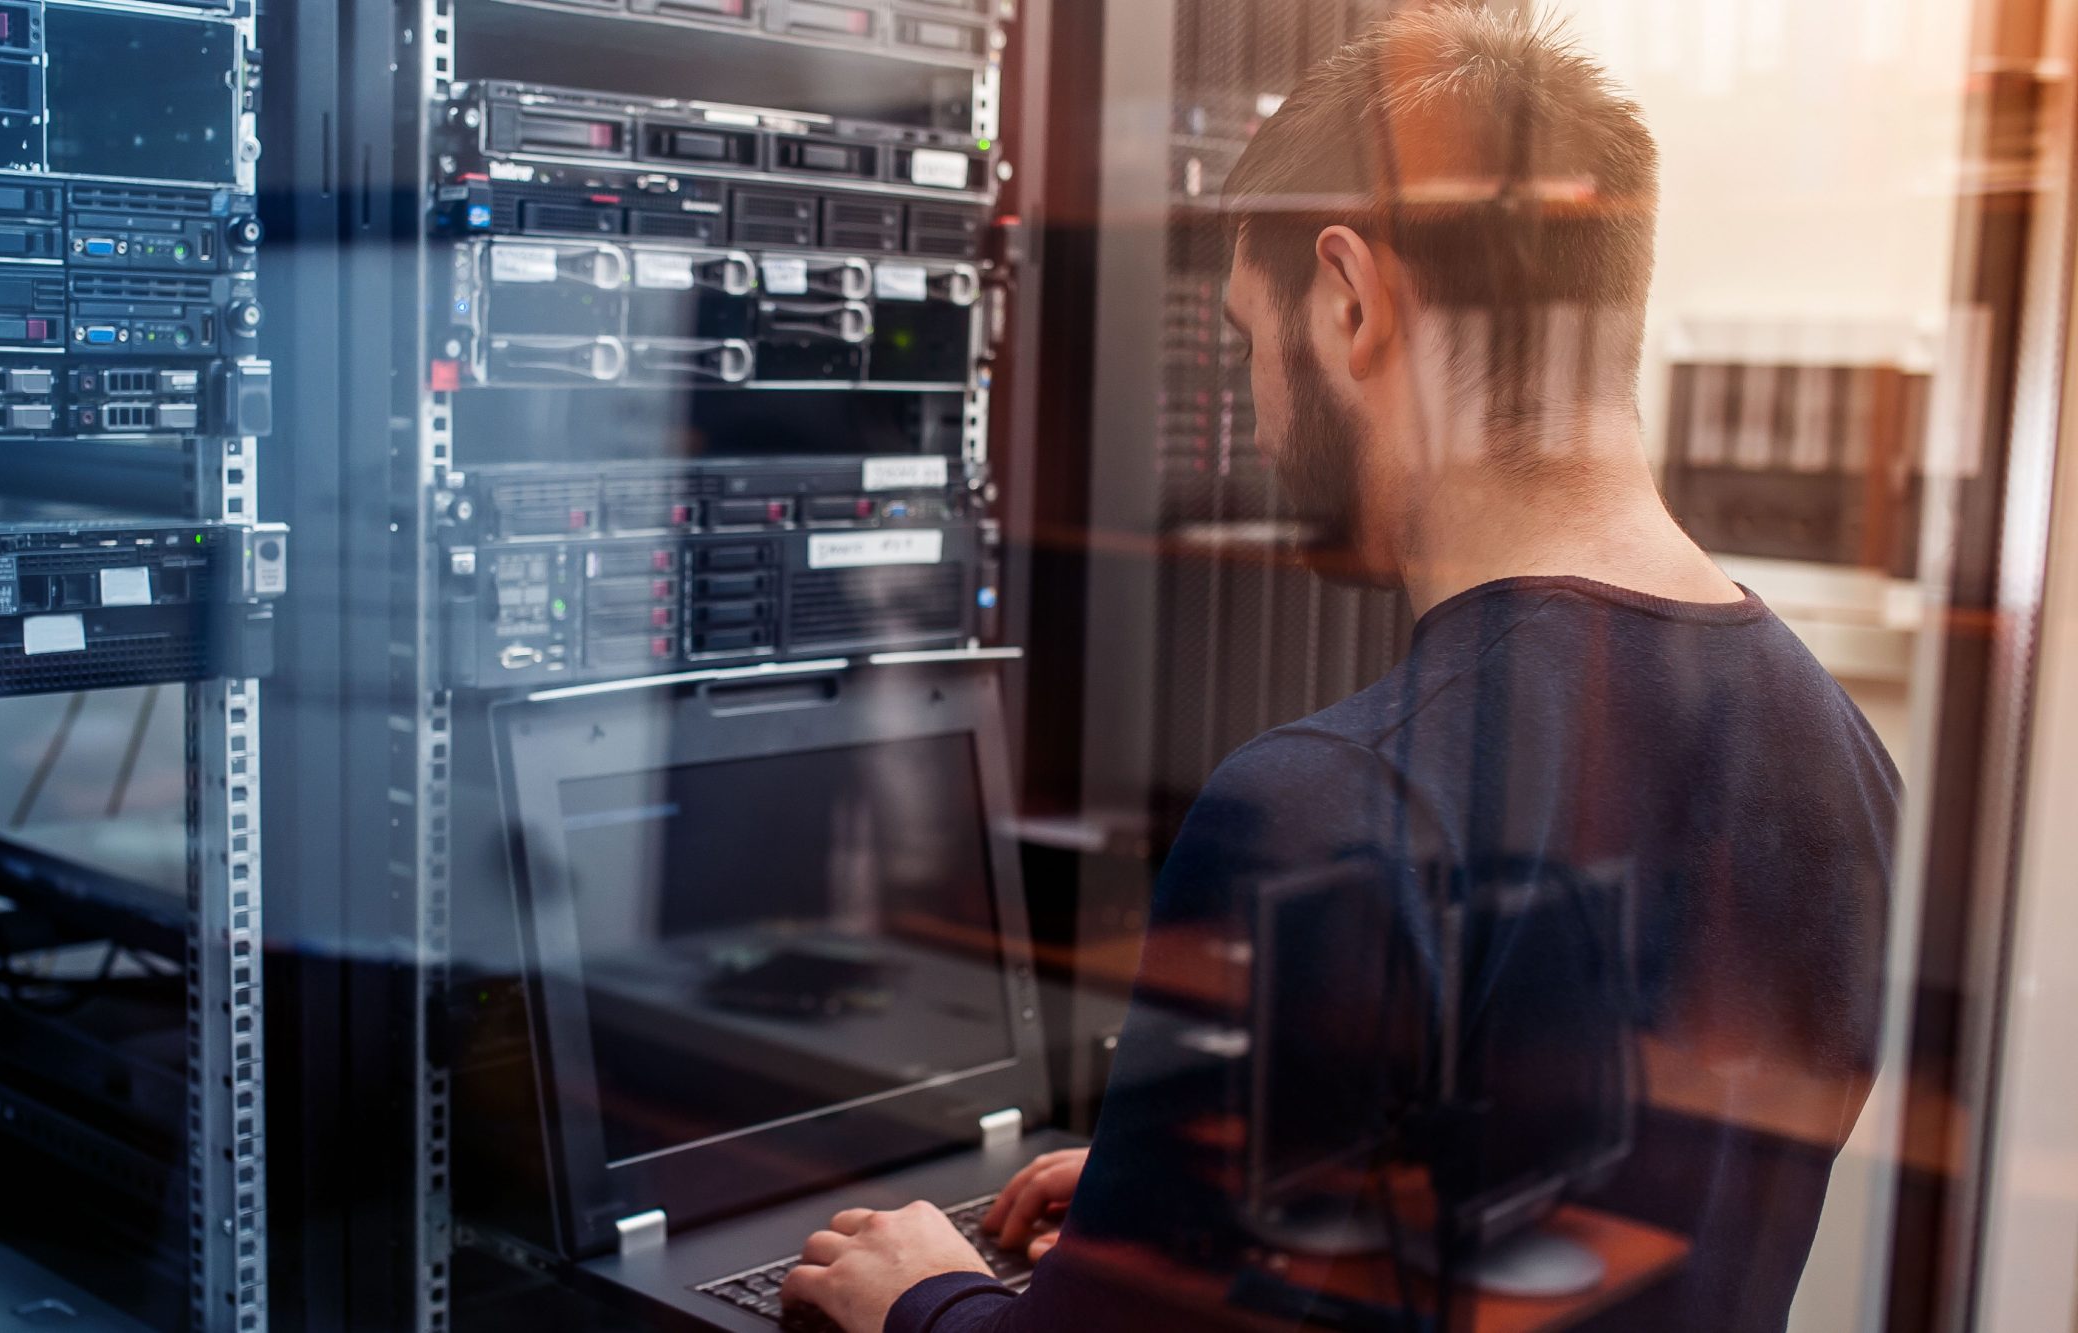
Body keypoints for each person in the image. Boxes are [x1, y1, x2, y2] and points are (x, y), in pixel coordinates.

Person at [779, 7, 1898, 1332]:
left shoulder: (1327, 803)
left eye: (1254, 336)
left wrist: (925, 1299)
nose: (1255, 416)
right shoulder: (1838, 750)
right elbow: (1558, 1196)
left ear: (1352, 298)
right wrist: (1172, 1199)